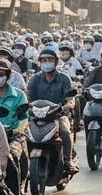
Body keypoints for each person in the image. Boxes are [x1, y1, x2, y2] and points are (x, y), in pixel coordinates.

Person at [26, 47, 76, 183]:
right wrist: (29, 108)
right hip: (37, 115)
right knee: (25, 135)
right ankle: (26, 166)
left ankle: (68, 159)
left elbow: (69, 98)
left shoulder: (64, 79)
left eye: (50, 60)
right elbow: (30, 99)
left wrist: (67, 105)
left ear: (56, 61)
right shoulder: (34, 80)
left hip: (58, 115)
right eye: (43, 60)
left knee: (65, 131)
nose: (47, 62)